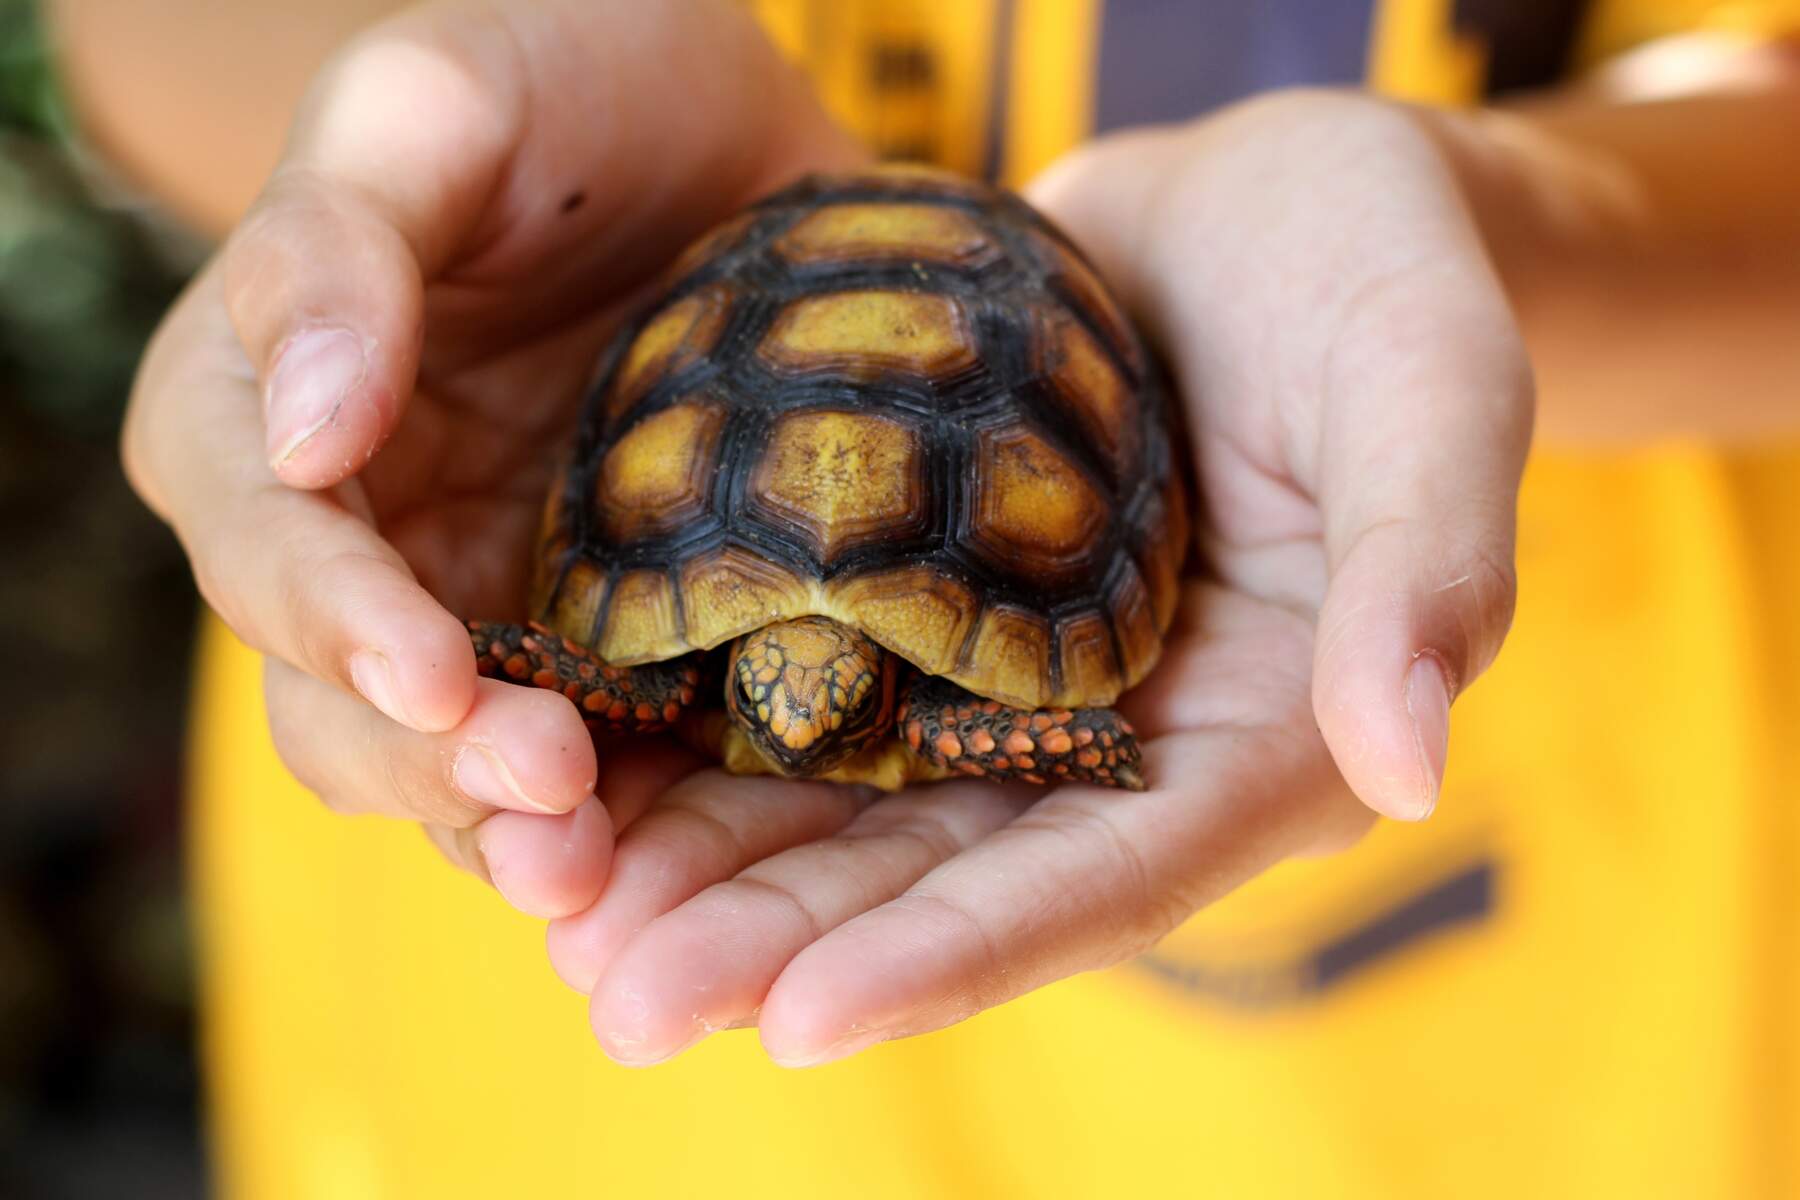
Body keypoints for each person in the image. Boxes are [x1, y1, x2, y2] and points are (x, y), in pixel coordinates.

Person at [96, 0, 1799, 1193]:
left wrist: (1508, 230)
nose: (790, 711)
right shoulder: (711, 680)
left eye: (810, 697)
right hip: (505, 1086)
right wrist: (410, 143)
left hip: (1514, 1034)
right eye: (780, 689)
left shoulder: (921, 702)